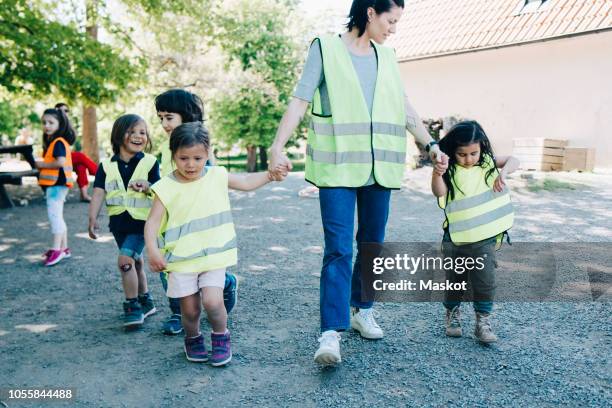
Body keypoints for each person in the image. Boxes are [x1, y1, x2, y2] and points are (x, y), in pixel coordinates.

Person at [268, 0, 449, 365]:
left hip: (379, 168)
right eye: (390, 20)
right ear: (370, 12)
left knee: (372, 245)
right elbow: (300, 100)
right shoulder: (325, 48)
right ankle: (330, 333)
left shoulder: (388, 57)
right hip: (337, 169)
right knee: (338, 249)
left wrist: (429, 144)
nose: (393, 29)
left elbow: (403, 106)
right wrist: (276, 147)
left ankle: (362, 309)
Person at [144, 122, 286, 366]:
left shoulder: (217, 175)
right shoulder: (164, 187)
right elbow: (152, 223)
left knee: (212, 301)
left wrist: (270, 176)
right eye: (183, 158)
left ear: (208, 153)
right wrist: (153, 251)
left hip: (213, 257)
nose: (191, 164)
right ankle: (193, 338)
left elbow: (245, 181)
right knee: (189, 311)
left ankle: (221, 337)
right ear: (173, 155)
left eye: (198, 158)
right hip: (181, 261)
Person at [154, 89, 236, 336]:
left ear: (185, 115)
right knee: (169, 273)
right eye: (160, 118)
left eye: (169, 117)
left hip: (201, 232)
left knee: (204, 269)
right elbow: (167, 182)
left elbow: (210, 181)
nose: (164, 124)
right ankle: (179, 312)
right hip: (173, 226)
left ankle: (226, 283)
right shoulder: (168, 147)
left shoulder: (201, 150)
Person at [431, 120, 519, 343]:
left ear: (481, 148)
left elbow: (513, 159)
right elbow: (438, 191)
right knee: (456, 280)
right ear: (453, 151)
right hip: (457, 238)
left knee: (484, 281)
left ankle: (482, 322)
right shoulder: (449, 168)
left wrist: (504, 173)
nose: (469, 159)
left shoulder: (487, 163)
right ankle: (452, 313)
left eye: (474, 153)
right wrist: (436, 173)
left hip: (484, 239)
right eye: (462, 154)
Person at [88, 114, 159, 329]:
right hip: (119, 225)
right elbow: (99, 192)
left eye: (143, 132)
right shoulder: (106, 165)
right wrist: (92, 217)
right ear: (119, 135)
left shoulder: (150, 162)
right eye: (132, 131)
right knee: (135, 263)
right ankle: (146, 300)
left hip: (142, 224)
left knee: (125, 261)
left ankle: (132, 305)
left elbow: (160, 189)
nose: (138, 136)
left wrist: (147, 186)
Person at [36, 108, 76, 266]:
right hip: (57, 185)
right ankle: (64, 248)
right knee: (58, 216)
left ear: (60, 124)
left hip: (56, 184)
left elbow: (59, 162)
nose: (47, 125)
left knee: (54, 217)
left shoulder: (58, 142)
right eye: (44, 122)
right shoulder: (55, 141)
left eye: (51, 122)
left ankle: (56, 249)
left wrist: (41, 164)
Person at [55, 103, 98, 202]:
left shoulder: (66, 126)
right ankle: (100, 174)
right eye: (60, 111)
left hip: (66, 157)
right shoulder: (53, 124)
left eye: (66, 111)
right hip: (57, 158)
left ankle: (84, 195)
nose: (63, 113)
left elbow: (71, 141)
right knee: (80, 156)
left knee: (81, 166)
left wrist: (68, 125)